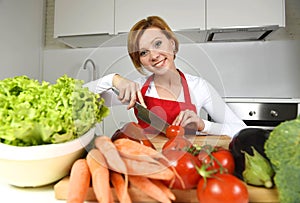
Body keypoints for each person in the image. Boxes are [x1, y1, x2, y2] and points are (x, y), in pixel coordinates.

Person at [84, 16, 246, 137]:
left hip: (184, 164)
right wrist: (113, 79)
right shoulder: (135, 90)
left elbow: (242, 130)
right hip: (148, 162)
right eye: (144, 52)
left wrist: (203, 125)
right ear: (139, 60)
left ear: (172, 44)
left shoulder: (199, 87)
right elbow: (77, 96)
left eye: (158, 43)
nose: (154, 56)